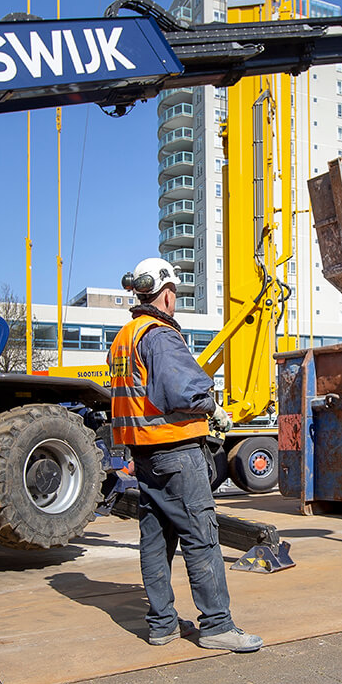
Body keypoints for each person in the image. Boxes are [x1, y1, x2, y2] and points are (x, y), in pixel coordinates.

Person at [107, 257, 263, 653]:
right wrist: (214, 408)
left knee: (155, 538)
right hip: (176, 451)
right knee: (201, 535)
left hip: (145, 454)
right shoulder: (160, 335)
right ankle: (217, 625)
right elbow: (184, 392)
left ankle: (161, 625)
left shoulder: (124, 337)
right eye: (174, 292)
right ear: (166, 293)